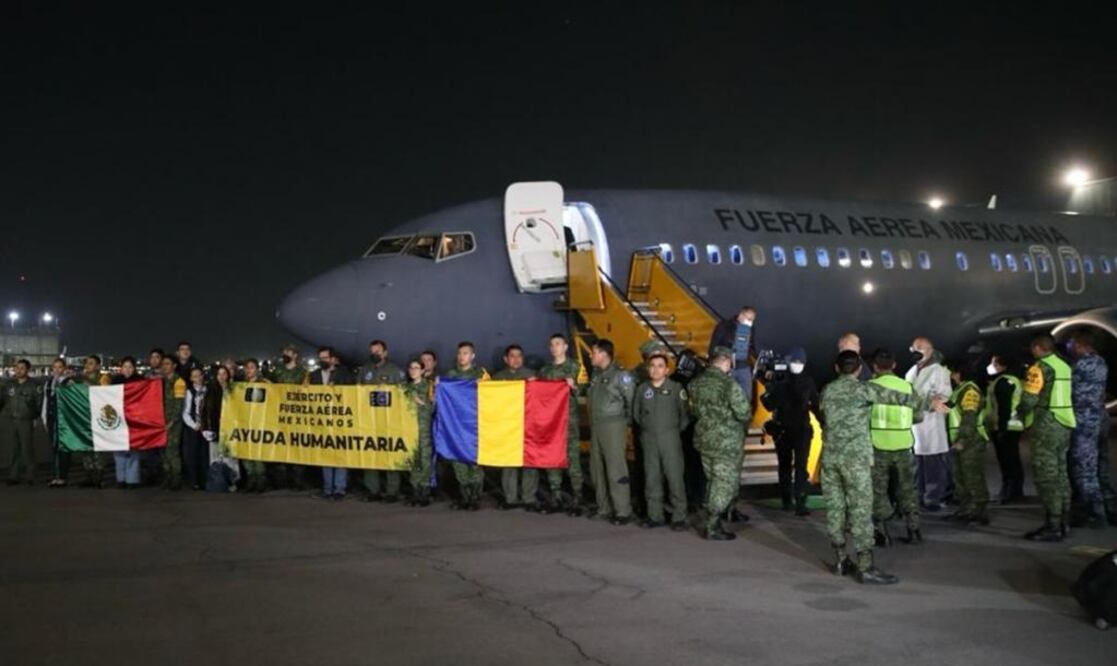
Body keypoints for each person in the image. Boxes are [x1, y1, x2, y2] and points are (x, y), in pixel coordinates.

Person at [820, 350, 946, 585]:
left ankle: (840, 560)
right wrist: (930, 403)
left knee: (835, 510)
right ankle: (865, 566)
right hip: (856, 460)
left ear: (836, 368)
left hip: (830, 459)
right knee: (860, 511)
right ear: (859, 369)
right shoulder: (863, 389)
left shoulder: (827, 391)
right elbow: (896, 398)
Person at [688, 346, 752, 540]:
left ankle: (718, 514)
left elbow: (693, 411)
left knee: (713, 481)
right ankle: (713, 526)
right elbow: (744, 412)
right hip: (726, 444)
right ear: (725, 361)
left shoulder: (695, 384)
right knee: (723, 484)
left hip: (705, 440)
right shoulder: (728, 385)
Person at [1019, 334, 1077, 541]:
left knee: (1046, 476)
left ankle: (1052, 526)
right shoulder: (1064, 366)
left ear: (1037, 348)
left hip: (1046, 424)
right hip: (1064, 422)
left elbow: (1029, 399)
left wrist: (1019, 413)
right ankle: (1064, 521)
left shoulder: (1039, 368)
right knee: (1061, 473)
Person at [868, 350, 922, 545]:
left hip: (878, 447)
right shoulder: (907, 387)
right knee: (907, 489)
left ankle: (882, 532)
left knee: (878, 490)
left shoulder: (870, 388)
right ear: (894, 365)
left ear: (875, 367)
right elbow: (918, 416)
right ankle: (913, 529)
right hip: (903, 446)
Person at [633, 352, 690, 530]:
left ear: (667, 370)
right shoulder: (642, 389)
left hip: (670, 439)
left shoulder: (676, 388)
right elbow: (636, 414)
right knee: (652, 477)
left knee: (674, 477)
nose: (655, 369)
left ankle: (679, 516)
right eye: (652, 366)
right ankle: (654, 515)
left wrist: (672, 431)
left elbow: (684, 415)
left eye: (660, 366)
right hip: (649, 439)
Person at [760, 346, 819, 515]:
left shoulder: (782, 380)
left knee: (787, 466)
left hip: (786, 430)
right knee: (799, 466)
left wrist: (769, 388)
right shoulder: (807, 381)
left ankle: (789, 501)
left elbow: (768, 404)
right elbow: (815, 405)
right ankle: (798, 502)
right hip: (798, 430)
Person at [586, 339, 636, 525]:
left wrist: (628, 426)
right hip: (596, 425)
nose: (591, 356)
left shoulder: (620, 375)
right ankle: (604, 507)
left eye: (594, 352)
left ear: (604, 354)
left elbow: (631, 401)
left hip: (613, 425)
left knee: (616, 468)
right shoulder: (596, 374)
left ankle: (623, 510)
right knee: (596, 468)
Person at [537, 333, 586, 515]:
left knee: (573, 459)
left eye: (558, 344)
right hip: (551, 423)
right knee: (552, 458)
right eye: (551, 344)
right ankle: (555, 495)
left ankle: (577, 497)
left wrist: (574, 387)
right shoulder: (545, 371)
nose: (554, 347)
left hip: (569, 421)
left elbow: (585, 391)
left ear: (565, 346)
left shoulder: (576, 367)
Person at [905, 337, 952, 512]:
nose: (917, 351)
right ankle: (919, 496)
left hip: (931, 424)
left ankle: (933, 499)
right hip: (915, 425)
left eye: (921, 348)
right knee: (917, 465)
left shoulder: (938, 370)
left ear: (930, 351)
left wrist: (932, 402)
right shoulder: (911, 371)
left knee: (933, 465)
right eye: (914, 348)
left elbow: (945, 396)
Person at [1068, 331, 1109, 529]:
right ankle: (1107, 508)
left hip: (1083, 419)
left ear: (1080, 344)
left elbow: (1070, 389)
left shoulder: (1081, 364)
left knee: (1084, 468)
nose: (1071, 347)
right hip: (1098, 417)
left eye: (1073, 344)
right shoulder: (1101, 362)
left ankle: (1094, 513)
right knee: (1099, 465)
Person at [443, 341, 490, 509]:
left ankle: (475, 498)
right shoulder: (451, 374)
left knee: (475, 462)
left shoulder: (481, 374)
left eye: (465, 353)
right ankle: (465, 497)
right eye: (459, 353)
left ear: (472, 355)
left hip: (475, 425)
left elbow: (490, 396)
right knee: (458, 462)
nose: (462, 356)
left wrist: (481, 385)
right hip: (456, 424)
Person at [358, 340, 407, 502]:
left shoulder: (395, 370)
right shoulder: (365, 370)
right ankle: (373, 490)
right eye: (372, 351)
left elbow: (404, 394)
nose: (375, 354)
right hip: (369, 420)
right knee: (370, 454)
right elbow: (356, 391)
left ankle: (392, 492)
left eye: (378, 351)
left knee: (390, 455)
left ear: (385, 353)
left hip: (389, 421)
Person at [492, 344, 537, 509]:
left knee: (529, 461)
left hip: (528, 424)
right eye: (512, 356)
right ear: (506, 359)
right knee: (509, 461)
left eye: (519, 356)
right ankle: (510, 498)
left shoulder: (532, 376)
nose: (516, 359)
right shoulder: (498, 378)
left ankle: (529, 498)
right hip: (508, 425)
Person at [947, 363, 991, 525]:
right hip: (960, 440)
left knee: (973, 476)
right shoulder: (960, 390)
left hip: (971, 440)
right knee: (961, 477)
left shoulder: (969, 391)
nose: (950, 376)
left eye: (951, 372)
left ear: (958, 373)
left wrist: (963, 440)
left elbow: (969, 417)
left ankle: (979, 512)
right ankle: (966, 509)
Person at [311, 346, 354, 500]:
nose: (322, 360)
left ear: (332, 359)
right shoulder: (314, 375)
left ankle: (339, 489)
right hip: (322, 421)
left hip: (340, 420)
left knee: (340, 454)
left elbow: (352, 394)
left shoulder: (343, 374)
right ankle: (327, 489)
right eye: (320, 358)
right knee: (326, 455)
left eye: (325, 357)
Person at [986, 353, 1025, 503]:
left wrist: (1001, 429)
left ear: (1002, 365)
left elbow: (1004, 407)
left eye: (994, 363)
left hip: (1006, 427)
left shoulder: (1004, 382)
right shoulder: (1012, 380)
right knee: (1012, 460)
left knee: (1008, 461)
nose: (992, 366)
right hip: (1012, 426)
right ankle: (1013, 491)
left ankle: (1011, 493)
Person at [268, 344, 308, 489]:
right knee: (280, 446)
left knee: (297, 447)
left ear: (295, 355)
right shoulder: (277, 371)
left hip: (296, 415)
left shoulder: (302, 372)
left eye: (288, 352)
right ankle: (281, 481)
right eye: (284, 352)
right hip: (280, 414)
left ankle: (297, 481)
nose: (285, 354)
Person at [1, 359, 42, 486]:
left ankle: (31, 475)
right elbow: (2, 399)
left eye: (22, 368)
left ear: (28, 370)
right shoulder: (9, 384)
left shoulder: (34, 385)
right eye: (17, 368)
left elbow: (39, 403)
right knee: (13, 449)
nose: (18, 370)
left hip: (26, 420)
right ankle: (14, 475)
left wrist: (35, 418)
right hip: (11, 419)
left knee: (27, 449)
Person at [74, 355, 112, 487]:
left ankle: (99, 477)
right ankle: (88, 475)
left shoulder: (103, 378)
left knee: (98, 447)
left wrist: (87, 382)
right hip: (84, 416)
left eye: (91, 363)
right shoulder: (81, 379)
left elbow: (105, 394)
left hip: (97, 416)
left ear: (98, 366)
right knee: (86, 446)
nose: (87, 365)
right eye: (87, 363)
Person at [402, 359, 435, 507]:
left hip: (424, 430)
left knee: (425, 459)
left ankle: (425, 492)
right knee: (413, 460)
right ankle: (415, 492)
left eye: (416, 368)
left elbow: (433, 408)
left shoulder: (429, 386)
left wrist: (419, 401)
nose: (413, 370)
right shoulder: (405, 387)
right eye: (411, 367)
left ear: (422, 370)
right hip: (409, 429)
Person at [708, 306, 757, 401]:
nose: (750, 322)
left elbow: (752, 346)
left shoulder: (750, 329)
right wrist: (714, 363)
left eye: (752, 320)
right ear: (741, 315)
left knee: (747, 397)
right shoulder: (724, 326)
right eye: (749, 319)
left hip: (743, 367)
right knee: (725, 395)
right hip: (727, 367)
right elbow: (713, 345)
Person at [110, 357, 143, 489]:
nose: (127, 369)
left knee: (134, 450)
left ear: (134, 368)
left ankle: (132, 480)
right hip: (119, 418)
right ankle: (121, 478)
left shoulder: (140, 381)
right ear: (121, 368)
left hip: (135, 419)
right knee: (119, 450)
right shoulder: (115, 381)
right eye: (125, 366)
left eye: (130, 367)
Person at [239, 358, 269, 492]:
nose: (249, 370)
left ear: (257, 369)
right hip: (244, 423)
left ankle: (260, 481)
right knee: (246, 453)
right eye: (247, 367)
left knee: (257, 453)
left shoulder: (264, 383)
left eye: (251, 367)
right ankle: (251, 479)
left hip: (259, 423)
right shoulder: (241, 384)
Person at [42, 358, 73, 487]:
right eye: (54, 367)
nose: (57, 370)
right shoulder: (48, 383)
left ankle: (62, 477)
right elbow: (45, 401)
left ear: (64, 368)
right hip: (51, 418)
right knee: (54, 448)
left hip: (64, 420)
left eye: (60, 367)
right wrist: (44, 418)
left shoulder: (68, 383)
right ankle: (55, 476)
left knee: (64, 448)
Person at [159, 356, 186, 490]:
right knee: (163, 451)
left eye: (168, 364)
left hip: (173, 424)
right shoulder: (162, 382)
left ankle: (176, 479)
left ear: (174, 366)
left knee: (172, 452)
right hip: (161, 422)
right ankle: (167, 476)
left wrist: (171, 422)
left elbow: (179, 406)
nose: (165, 366)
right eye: (163, 364)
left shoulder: (178, 382)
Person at [181, 366, 210, 490]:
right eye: (195, 376)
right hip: (194, 428)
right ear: (191, 378)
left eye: (199, 375)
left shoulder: (208, 390)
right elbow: (185, 412)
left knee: (205, 454)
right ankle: (193, 481)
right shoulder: (189, 392)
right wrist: (194, 425)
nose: (198, 378)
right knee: (192, 455)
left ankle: (205, 480)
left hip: (206, 428)